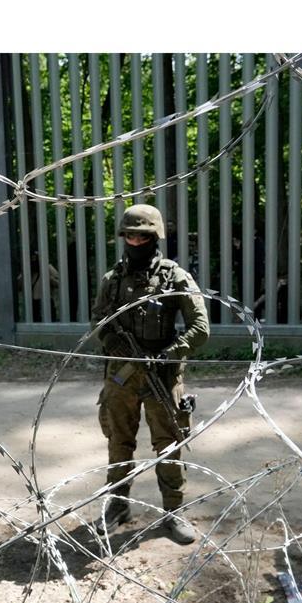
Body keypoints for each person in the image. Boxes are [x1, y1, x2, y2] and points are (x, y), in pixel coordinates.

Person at [90, 204, 211, 545]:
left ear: (154, 236)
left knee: (169, 446)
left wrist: (167, 355)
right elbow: (98, 321)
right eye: (130, 235)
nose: (135, 240)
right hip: (121, 376)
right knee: (118, 442)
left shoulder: (176, 277)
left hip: (162, 376)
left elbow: (200, 328)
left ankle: (173, 513)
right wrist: (117, 342)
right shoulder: (112, 280)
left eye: (142, 235)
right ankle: (116, 505)